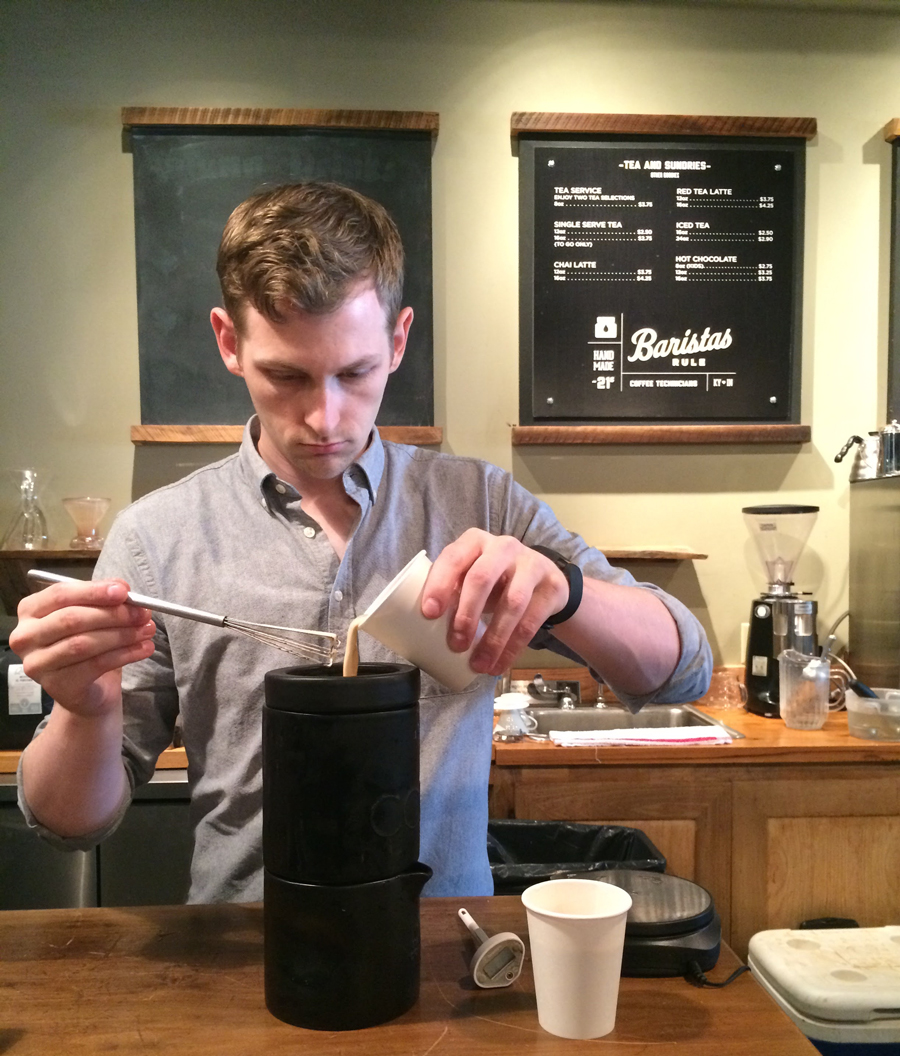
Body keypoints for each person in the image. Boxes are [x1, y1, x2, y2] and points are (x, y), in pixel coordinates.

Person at [10, 182, 712, 900]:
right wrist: (84, 711)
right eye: (286, 376)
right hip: (243, 959)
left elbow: (682, 669)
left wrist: (563, 591)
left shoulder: (482, 504)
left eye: (356, 373)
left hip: (441, 956)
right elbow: (70, 823)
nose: (325, 417)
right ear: (229, 342)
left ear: (398, 340)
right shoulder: (157, 540)